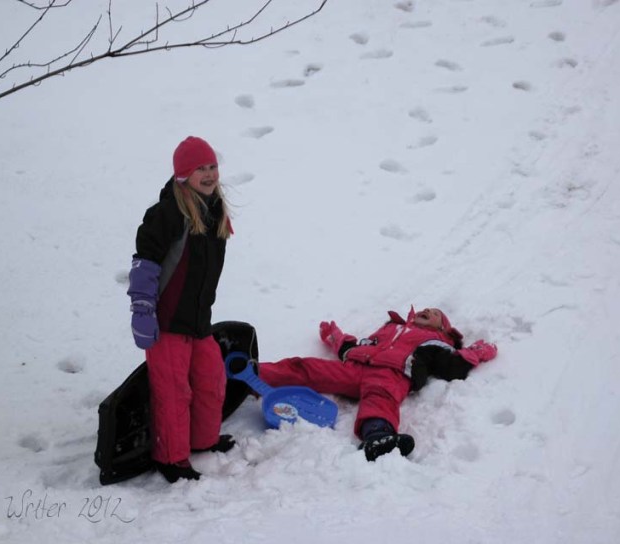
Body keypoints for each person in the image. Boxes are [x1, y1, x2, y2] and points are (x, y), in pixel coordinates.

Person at [127, 136, 235, 483]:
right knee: (173, 392)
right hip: (167, 322)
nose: (209, 174)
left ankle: (203, 440)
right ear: (183, 174)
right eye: (200, 168)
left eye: (212, 166)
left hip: (198, 321)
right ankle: (171, 458)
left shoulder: (214, 210)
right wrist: (142, 310)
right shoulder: (167, 214)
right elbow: (145, 265)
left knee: (211, 381)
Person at [257, 307, 498, 461]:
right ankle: (251, 372)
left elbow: (453, 366)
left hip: (391, 374)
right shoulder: (391, 328)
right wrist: (335, 336)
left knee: (380, 397)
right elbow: (354, 345)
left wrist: (478, 351)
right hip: (356, 366)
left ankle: (378, 436)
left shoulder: (435, 342)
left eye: (435, 313)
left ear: (443, 328)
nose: (427, 310)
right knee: (308, 367)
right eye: (426, 309)